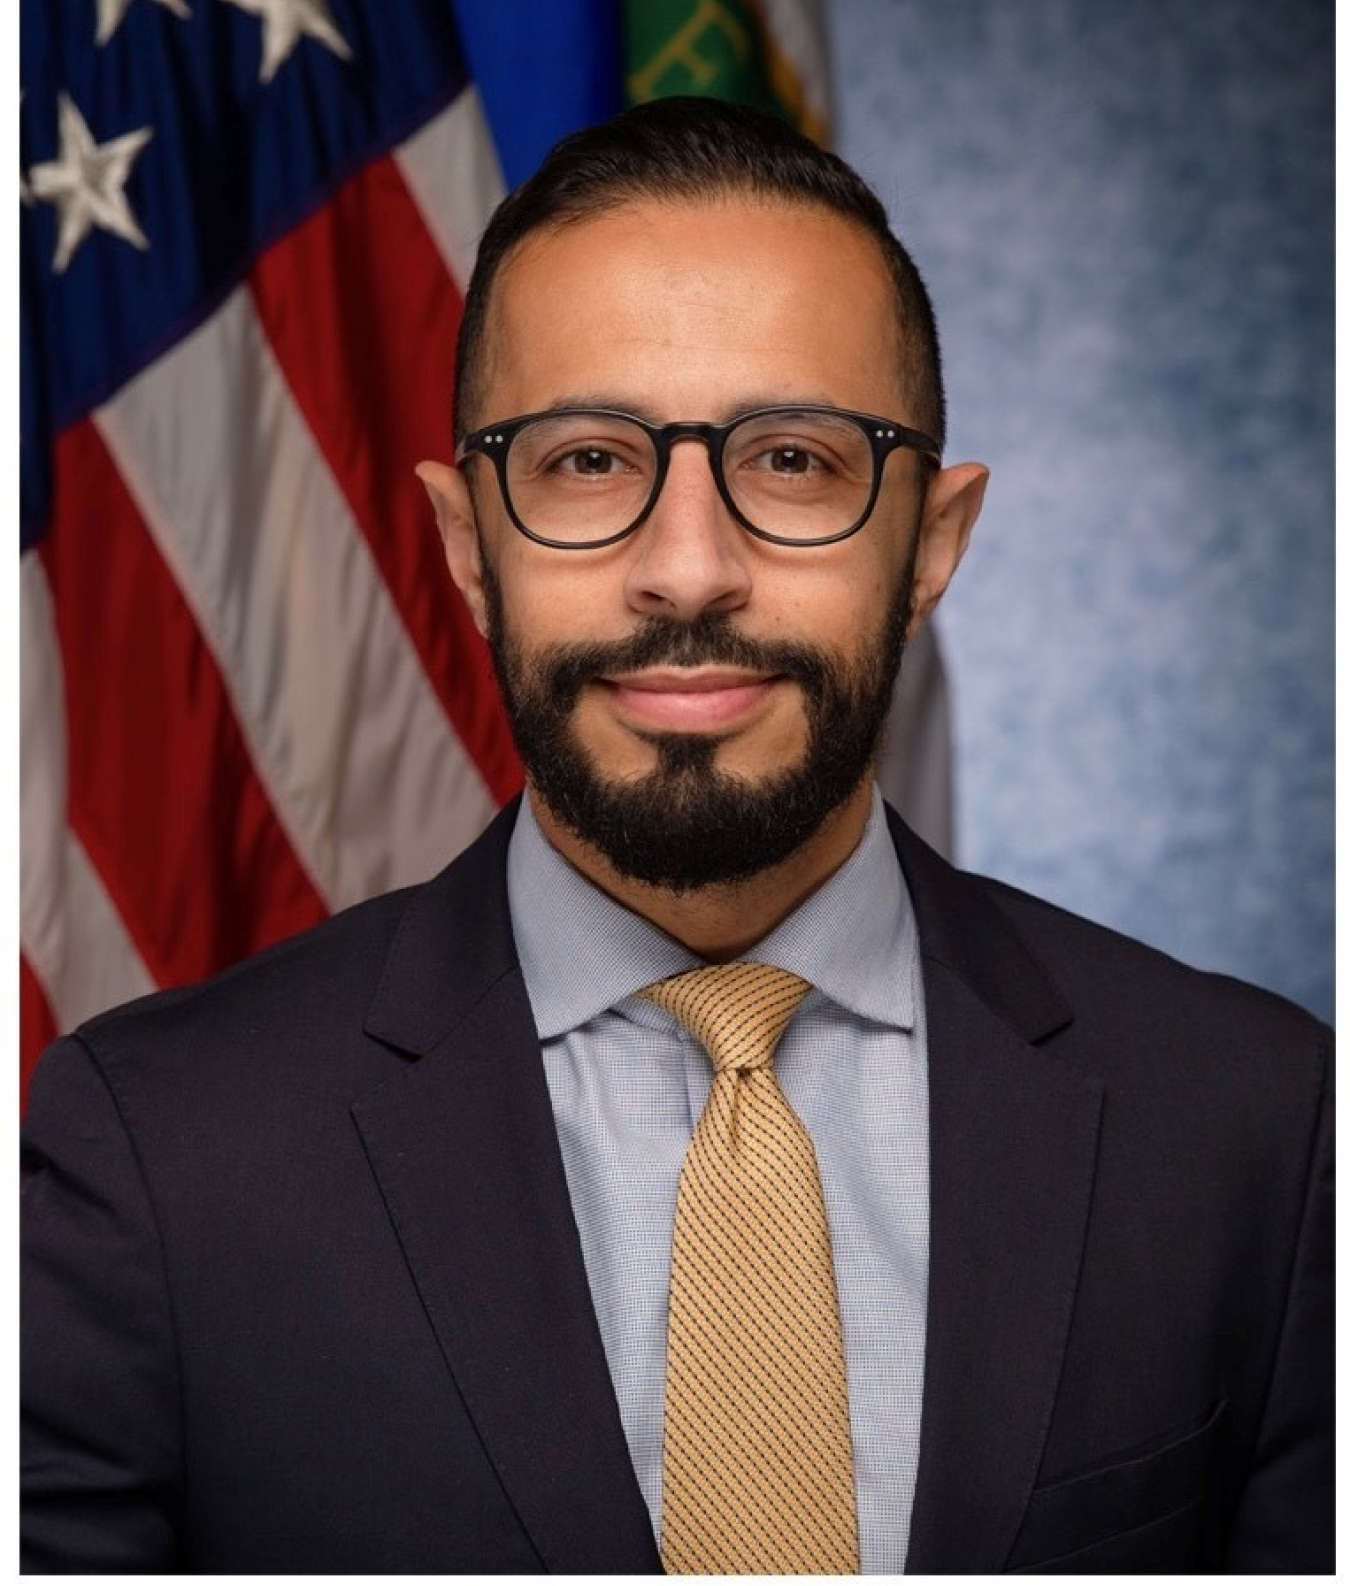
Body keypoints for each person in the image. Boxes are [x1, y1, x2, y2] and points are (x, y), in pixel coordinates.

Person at [22, 97, 1331, 1576]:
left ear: (932, 545)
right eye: (585, 461)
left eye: (791, 460)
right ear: (465, 546)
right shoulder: (158, 1147)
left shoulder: (1251, 1125)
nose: (687, 570)